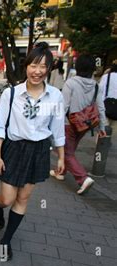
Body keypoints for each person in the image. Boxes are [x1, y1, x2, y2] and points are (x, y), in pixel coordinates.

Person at [0, 42, 65, 260]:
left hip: (38, 150)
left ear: (49, 69)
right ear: (26, 67)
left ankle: (6, 240)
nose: (38, 71)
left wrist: (61, 156)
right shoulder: (11, 94)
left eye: (43, 66)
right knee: (6, 198)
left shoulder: (55, 96)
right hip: (14, 149)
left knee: (23, 198)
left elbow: (58, 129)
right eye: (34, 65)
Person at [51, 54, 107, 194]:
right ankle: (61, 172)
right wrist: (102, 126)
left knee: (66, 151)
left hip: (68, 123)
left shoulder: (71, 83)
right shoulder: (95, 85)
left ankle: (83, 179)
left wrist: (54, 122)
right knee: (69, 150)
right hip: (84, 125)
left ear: (78, 66)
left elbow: (63, 106)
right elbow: (100, 107)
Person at [99, 61, 117, 128]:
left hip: (105, 106)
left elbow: (99, 90)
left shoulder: (106, 76)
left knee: (103, 129)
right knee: (112, 129)